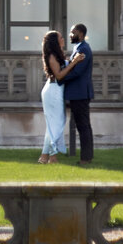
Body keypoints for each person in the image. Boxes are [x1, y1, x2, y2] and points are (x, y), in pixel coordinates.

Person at [60, 21, 94, 166]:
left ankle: (85, 159)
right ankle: (87, 157)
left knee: (83, 126)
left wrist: (59, 76)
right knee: (83, 125)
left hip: (80, 94)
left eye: (72, 32)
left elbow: (77, 72)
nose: (70, 35)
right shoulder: (78, 48)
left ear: (80, 34)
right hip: (77, 93)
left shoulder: (83, 49)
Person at [38, 29, 71, 163]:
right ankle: (52, 156)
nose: (63, 39)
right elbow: (59, 75)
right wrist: (73, 63)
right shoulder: (51, 56)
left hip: (57, 90)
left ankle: (45, 156)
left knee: (53, 124)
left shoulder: (57, 55)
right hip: (53, 91)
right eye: (61, 38)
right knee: (57, 124)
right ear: (55, 41)